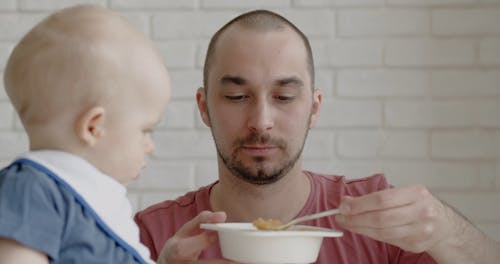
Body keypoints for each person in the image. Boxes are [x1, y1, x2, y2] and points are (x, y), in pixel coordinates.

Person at [134, 9, 500, 264]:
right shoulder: (151, 235)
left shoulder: (378, 220)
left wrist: (447, 231)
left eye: (284, 97)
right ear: (203, 106)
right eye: (236, 97)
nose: (261, 121)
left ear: (314, 106)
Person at [0, 4, 180, 264]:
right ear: (94, 127)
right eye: (145, 130)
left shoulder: (92, 202)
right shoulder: (31, 192)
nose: (149, 146)